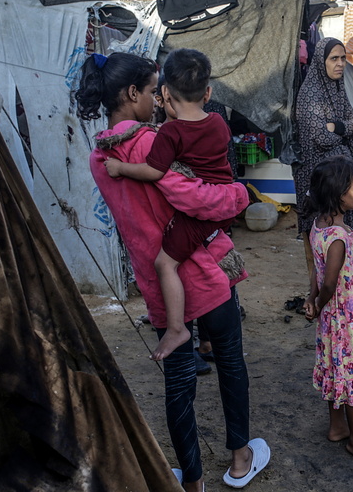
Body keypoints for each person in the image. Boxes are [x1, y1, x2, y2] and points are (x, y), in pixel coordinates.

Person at [76, 52, 269, 491]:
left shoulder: (98, 157)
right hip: (203, 272)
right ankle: (240, 461)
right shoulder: (150, 144)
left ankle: (193, 483)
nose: (155, 100)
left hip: (158, 283)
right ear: (132, 94)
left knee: (179, 385)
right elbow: (201, 200)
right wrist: (240, 195)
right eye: (148, 92)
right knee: (230, 364)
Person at [104, 48, 236, 361]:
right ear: (208, 92)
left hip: (196, 214)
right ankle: (203, 342)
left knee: (166, 263)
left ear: (165, 93)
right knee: (231, 357)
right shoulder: (218, 122)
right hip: (220, 207)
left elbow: (155, 172)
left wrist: (121, 168)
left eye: (157, 93)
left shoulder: (166, 134)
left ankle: (177, 329)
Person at [303, 156, 353, 467]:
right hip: (346, 318)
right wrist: (319, 301)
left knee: (335, 367)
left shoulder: (318, 227)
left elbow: (315, 271)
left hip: (333, 317)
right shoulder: (337, 237)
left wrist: (311, 301)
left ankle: (338, 427)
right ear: (340, 196)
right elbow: (330, 281)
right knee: (352, 373)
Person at [292, 37, 353, 298]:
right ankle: (331, 298)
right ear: (321, 61)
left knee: (351, 233)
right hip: (322, 186)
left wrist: (336, 126)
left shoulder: (338, 90)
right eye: (333, 59)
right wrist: (342, 128)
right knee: (329, 244)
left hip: (342, 181)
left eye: (343, 58)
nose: (340, 64)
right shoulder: (309, 96)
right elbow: (321, 137)